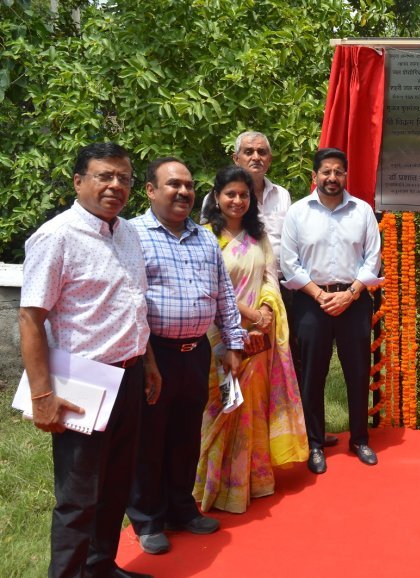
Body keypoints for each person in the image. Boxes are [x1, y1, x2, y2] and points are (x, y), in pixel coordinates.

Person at [19, 142, 158, 578]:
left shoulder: (128, 232)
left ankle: (100, 567)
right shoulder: (56, 236)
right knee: (78, 496)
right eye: (105, 176)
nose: (116, 185)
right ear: (79, 182)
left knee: (116, 485)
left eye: (124, 178)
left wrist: (149, 363)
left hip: (130, 376)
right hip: (83, 382)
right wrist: (43, 394)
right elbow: (30, 317)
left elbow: (135, 304)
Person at [127, 158, 245, 555]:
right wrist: (145, 358)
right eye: (173, 184)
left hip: (197, 351)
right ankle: (148, 518)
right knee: (150, 438)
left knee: (184, 435)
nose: (183, 192)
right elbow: (130, 301)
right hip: (153, 354)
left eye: (189, 186)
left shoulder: (204, 237)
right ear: (150, 190)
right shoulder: (133, 235)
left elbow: (224, 294)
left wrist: (232, 344)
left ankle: (182, 508)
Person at [194, 166, 308, 513]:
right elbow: (211, 289)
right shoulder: (204, 237)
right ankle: (211, 484)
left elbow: (270, 277)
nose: (238, 200)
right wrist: (250, 314)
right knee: (220, 408)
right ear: (216, 197)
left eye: (244, 195)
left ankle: (250, 482)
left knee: (251, 409)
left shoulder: (258, 237)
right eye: (230, 193)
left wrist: (267, 311)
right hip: (219, 338)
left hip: (257, 339)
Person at [216, 130, 340, 448]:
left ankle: (302, 432)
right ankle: (231, 439)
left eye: (262, 152)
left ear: (270, 159)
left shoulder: (282, 195)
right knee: (232, 366)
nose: (256, 157)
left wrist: (271, 304)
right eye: (249, 151)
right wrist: (247, 308)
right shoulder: (217, 197)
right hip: (235, 300)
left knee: (290, 365)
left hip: (280, 291)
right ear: (236, 158)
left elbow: (287, 245)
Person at [280, 147, 382, 474]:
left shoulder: (362, 211)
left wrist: (350, 295)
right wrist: (319, 295)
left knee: (357, 372)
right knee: (312, 375)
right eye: (326, 172)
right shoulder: (297, 213)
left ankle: (359, 438)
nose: (332, 177)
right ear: (315, 176)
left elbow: (372, 259)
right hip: (312, 302)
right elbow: (289, 263)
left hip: (353, 300)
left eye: (338, 171)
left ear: (345, 176)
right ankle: (314, 442)